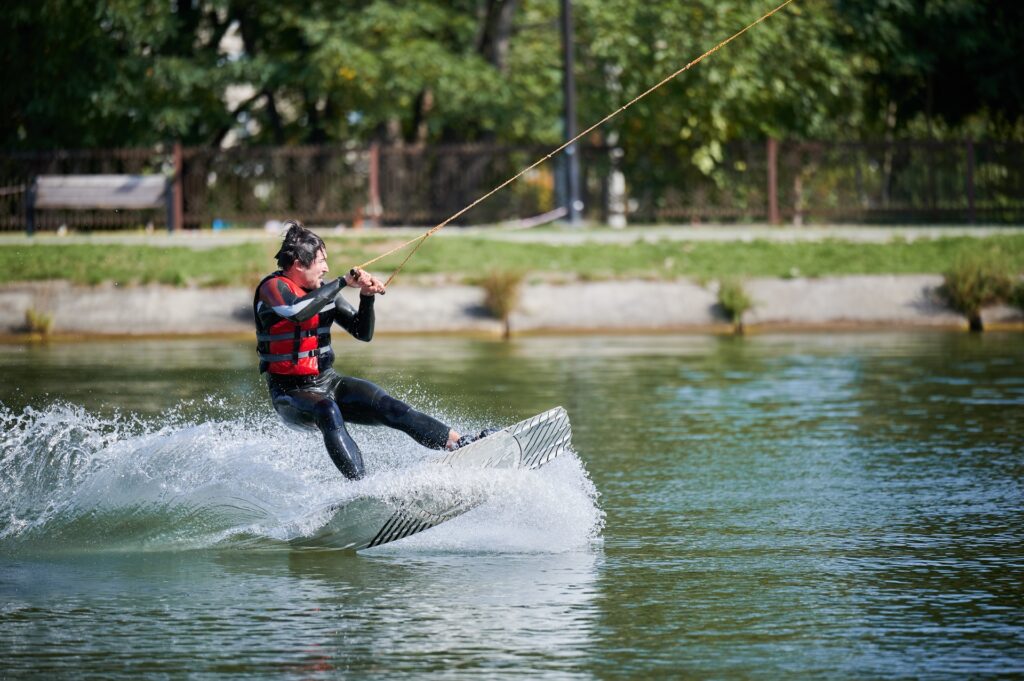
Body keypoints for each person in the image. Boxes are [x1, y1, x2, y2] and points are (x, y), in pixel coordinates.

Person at [254, 220, 488, 480]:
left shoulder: (324, 291)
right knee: (327, 411)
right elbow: (296, 312)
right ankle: (360, 486)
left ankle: (459, 443)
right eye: (321, 261)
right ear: (298, 263)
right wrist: (342, 281)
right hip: (290, 394)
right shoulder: (273, 288)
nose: (326, 268)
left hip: (328, 382)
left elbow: (362, 332)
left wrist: (367, 296)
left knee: (388, 405)